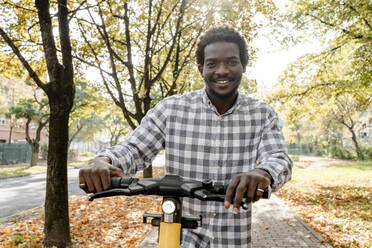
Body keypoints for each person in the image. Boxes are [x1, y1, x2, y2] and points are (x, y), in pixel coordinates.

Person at [79, 25, 292, 248]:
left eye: (231, 62)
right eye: (212, 64)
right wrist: (103, 161)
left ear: (243, 66)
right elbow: (133, 148)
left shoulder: (261, 114)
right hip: (179, 236)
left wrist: (264, 172)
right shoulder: (170, 110)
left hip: (233, 239)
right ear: (201, 69)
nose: (222, 70)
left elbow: (279, 158)